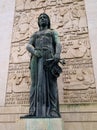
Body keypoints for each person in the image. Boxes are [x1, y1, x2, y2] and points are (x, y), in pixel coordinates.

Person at [26, 13, 62, 118]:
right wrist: (34, 51)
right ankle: (33, 110)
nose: (42, 19)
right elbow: (28, 45)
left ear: (48, 21)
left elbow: (58, 43)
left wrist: (57, 54)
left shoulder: (52, 32)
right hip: (36, 58)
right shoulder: (35, 34)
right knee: (34, 83)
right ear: (38, 21)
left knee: (52, 84)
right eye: (40, 18)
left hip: (49, 58)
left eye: (45, 17)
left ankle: (53, 110)